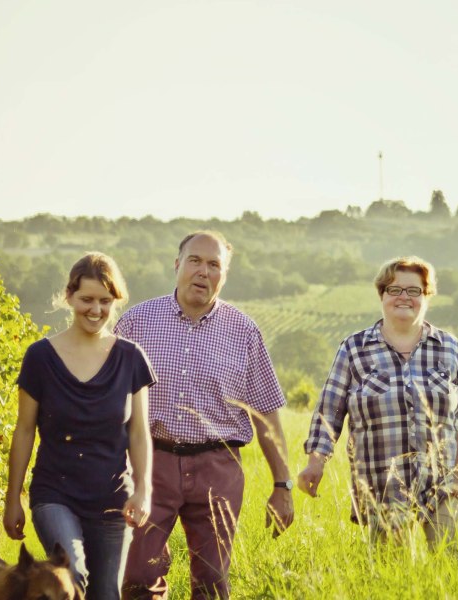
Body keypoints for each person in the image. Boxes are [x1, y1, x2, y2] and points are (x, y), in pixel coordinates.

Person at [115, 230, 293, 600]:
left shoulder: (244, 332)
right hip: (151, 463)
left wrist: (282, 486)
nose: (203, 271)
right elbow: (110, 401)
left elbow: (266, 415)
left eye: (214, 265)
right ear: (177, 265)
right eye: (195, 260)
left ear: (223, 276)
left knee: (211, 582)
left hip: (218, 468)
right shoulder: (136, 323)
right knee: (135, 576)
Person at [4, 252, 155, 600]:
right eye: (87, 299)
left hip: (112, 498)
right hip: (54, 494)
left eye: (105, 301)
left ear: (115, 301)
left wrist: (143, 490)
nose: (96, 309)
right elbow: (24, 430)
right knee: (71, 574)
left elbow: (138, 433)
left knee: (105, 594)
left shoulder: (132, 358)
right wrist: (13, 499)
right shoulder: (39, 357)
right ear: (69, 296)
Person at [298, 257, 458, 548]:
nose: (404, 297)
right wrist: (315, 462)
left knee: (456, 575)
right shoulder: (354, 348)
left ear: (427, 297)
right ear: (382, 295)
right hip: (382, 487)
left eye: (414, 291)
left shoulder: (450, 348)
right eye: (394, 289)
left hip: (445, 484)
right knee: (391, 580)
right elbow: (329, 411)